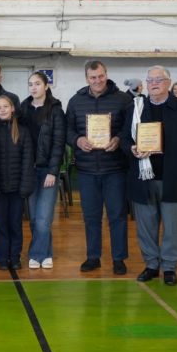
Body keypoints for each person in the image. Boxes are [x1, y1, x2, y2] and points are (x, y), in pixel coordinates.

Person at [124, 66, 177, 286]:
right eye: (150, 80)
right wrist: (131, 149)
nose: (153, 83)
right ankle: (151, 264)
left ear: (169, 83)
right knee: (146, 226)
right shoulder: (136, 108)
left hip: (174, 178)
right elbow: (124, 138)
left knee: (172, 227)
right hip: (143, 178)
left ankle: (169, 267)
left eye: (159, 79)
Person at [66, 60, 133, 275]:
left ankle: (119, 258)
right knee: (91, 216)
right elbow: (67, 130)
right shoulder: (76, 101)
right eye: (93, 77)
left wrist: (118, 139)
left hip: (115, 169)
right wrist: (77, 140)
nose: (97, 81)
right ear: (86, 78)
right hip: (86, 170)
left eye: (100, 76)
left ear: (106, 74)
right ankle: (93, 256)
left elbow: (130, 129)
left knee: (117, 215)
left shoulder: (123, 99)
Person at [20, 71, 65, 269]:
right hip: (29, 171)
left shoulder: (55, 110)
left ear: (46, 86)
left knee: (44, 218)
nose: (33, 87)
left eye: (37, 83)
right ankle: (46, 253)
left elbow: (58, 143)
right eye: (30, 84)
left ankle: (37, 254)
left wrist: (53, 171)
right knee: (34, 218)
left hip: (47, 170)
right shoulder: (23, 108)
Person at [0, 95, 34, 270]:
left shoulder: (23, 131)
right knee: (0, 224)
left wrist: (24, 188)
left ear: (12, 108)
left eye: (6, 106)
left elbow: (27, 161)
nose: (3, 110)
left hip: (17, 190)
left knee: (15, 224)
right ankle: (3, 256)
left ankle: (15, 257)